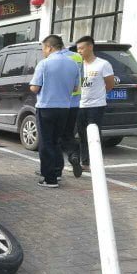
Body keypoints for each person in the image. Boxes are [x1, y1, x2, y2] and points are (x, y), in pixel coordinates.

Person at [29, 35, 80, 188]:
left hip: (46, 108)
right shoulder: (73, 64)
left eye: (44, 48)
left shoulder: (44, 64)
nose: (43, 52)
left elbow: (35, 87)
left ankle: (49, 178)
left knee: (45, 142)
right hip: (65, 108)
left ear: (50, 47)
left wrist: (33, 87)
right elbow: (76, 88)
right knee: (56, 141)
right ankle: (57, 173)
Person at [76, 35, 115, 169]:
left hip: (96, 106)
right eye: (78, 49)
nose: (79, 51)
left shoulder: (103, 64)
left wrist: (99, 96)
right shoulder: (78, 65)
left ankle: (97, 163)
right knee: (82, 135)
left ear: (90, 47)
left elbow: (109, 85)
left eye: (81, 48)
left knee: (94, 135)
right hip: (80, 105)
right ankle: (85, 163)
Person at [56, 46, 84, 178]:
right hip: (75, 102)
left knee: (53, 137)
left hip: (59, 102)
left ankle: (55, 169)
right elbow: (81, 78)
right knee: (68, 133)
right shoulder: (77, 56)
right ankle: (74, 155)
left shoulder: (56, 58)